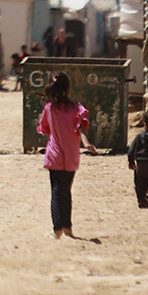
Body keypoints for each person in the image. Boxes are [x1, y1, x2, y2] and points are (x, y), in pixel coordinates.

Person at [36, 71, 97, 238]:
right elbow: (82, 128)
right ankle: (67, 227)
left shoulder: (49, 108)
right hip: (71, 156)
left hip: (54, 155)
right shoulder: (76, 108)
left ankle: (57, 228)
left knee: (56, 191)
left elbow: (45, 129)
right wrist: (86, 144)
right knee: (66, 190)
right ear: (68, 89)